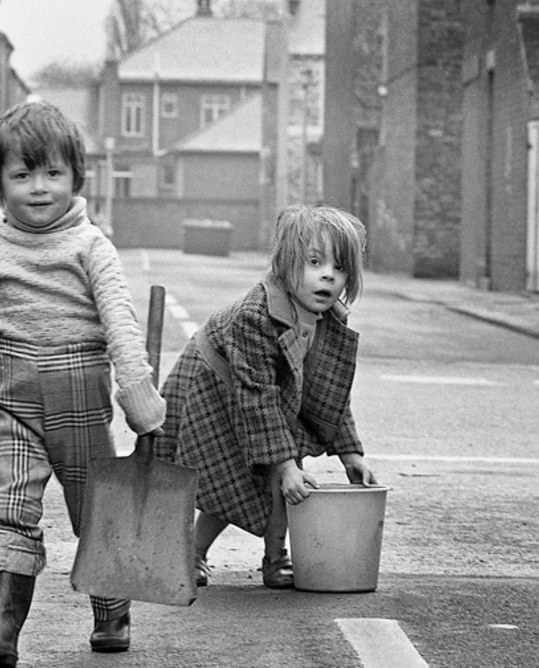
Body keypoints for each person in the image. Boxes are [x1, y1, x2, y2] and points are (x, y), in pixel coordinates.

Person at [0, 100, 164, 664]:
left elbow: (120, 322)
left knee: (94, 511)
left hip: (80, 397)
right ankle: (2, 627)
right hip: (9, 401)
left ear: (75, 177)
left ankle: (112, 611)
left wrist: (138, 396)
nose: (39, 188)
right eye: (22, 174)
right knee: (12, 506)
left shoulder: (91, 247)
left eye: (52, 173)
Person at [154, 205, 378, 589]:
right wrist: (284, 463)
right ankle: (192, 552)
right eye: (314, 261)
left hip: (262, 393)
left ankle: (276, 560)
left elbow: (329, 389)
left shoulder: (331, 318)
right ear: (286, 263)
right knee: (232, 478)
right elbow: (257, 396)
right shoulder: (255, 316)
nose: (328, 274)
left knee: (285, 478)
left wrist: (350, 453)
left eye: (339, 268)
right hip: (214, 386)